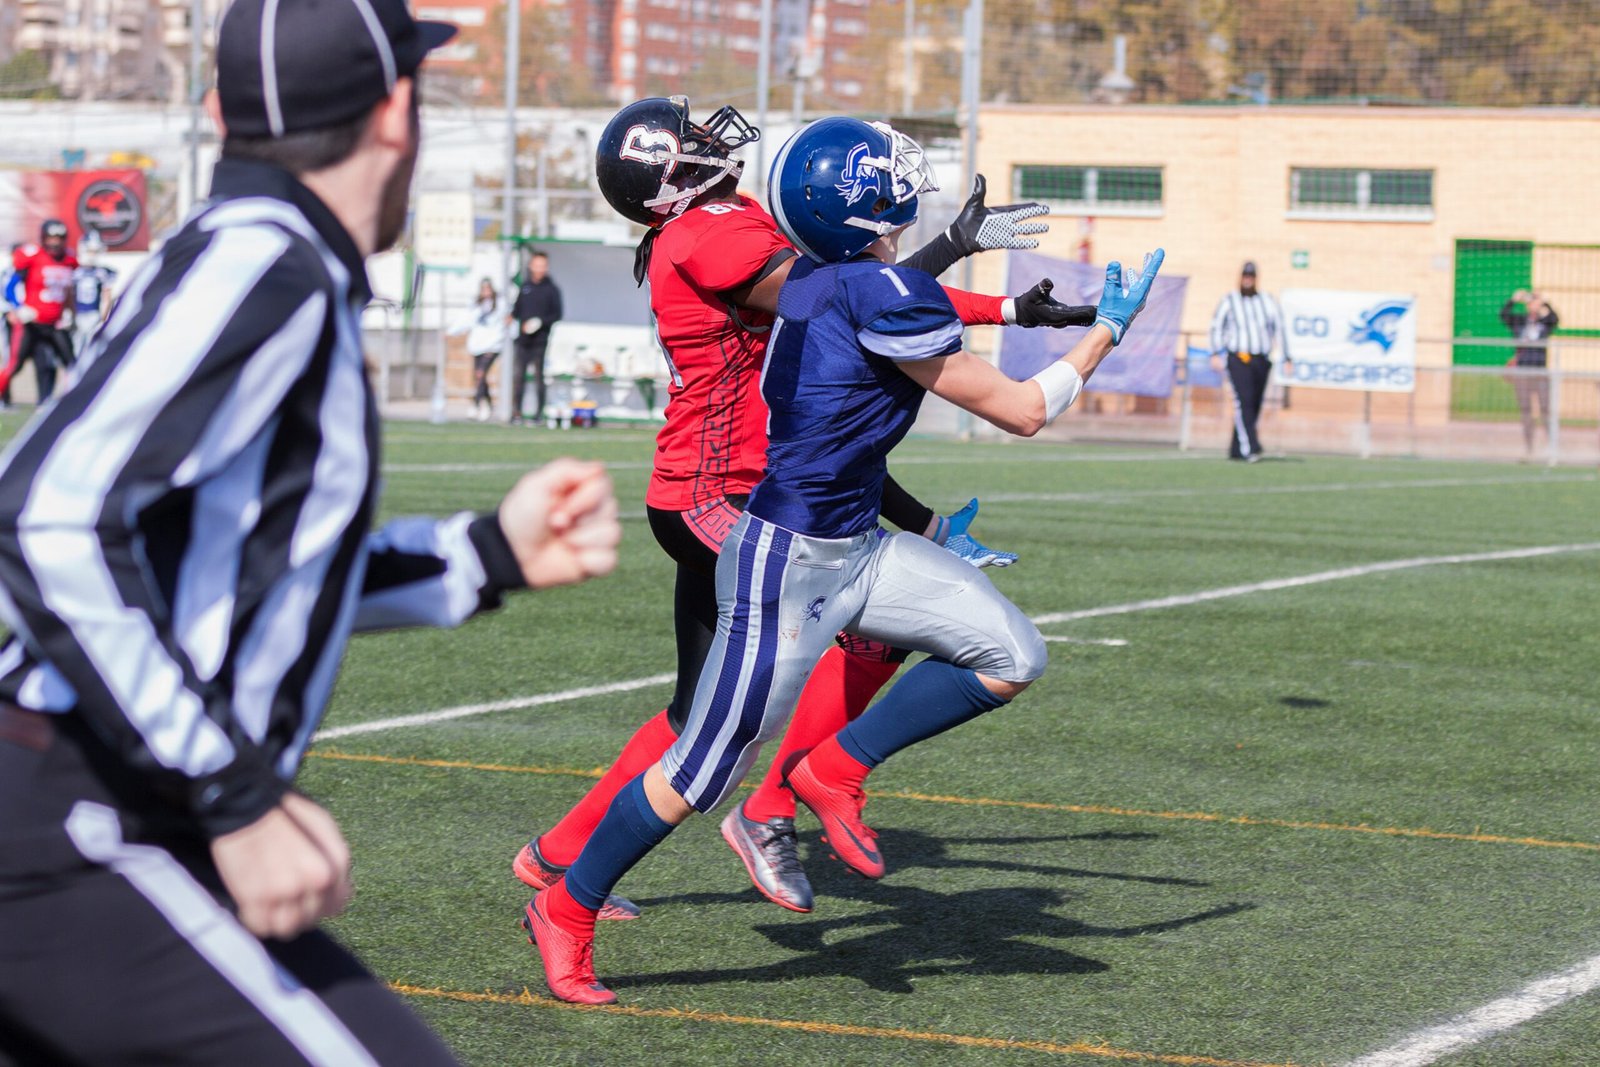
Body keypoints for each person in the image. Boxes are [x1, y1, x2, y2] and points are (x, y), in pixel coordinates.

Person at [0, 0, 621, 1062]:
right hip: (84, 813)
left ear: (219, 113)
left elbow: (231, 570)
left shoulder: (260, 257)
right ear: (396, 111)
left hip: (99, 809)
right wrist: (236, 798)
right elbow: (46, 512)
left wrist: (482, 555)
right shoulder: (268, 262)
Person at [520, 114, 1163, 1004]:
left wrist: (998, 295)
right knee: (706, 763)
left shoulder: (825, 276)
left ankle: (829, 768)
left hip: (852, 537)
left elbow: (889, 296)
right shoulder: (733, 243)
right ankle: (569, 901)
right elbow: (1018, 406)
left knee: (1012, 652)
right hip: (772, 539)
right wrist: (1105, 331)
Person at [1208, 260, 1287, 462]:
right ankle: (1251, 447)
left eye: (1251, 276)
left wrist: (1286, 356)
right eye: (1245, 276)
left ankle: (1236, 448)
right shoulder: (1230, 300)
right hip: (1238, 358)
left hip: (1261, 359)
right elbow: (1216, 326)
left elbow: (1279, 327)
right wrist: (1215, 352)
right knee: (1243, 402)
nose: (1247, 280)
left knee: (1254, 404)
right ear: (1240, 277)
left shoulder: (1267, 300)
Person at [2, 218, 78, 405]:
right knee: (14, 364)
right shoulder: (33, 256)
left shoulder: (69, 260)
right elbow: (9, 287)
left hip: (55, 323)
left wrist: (69, 312)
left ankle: (70, 401)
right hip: (31, 323)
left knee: (70, 363)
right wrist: (19, 308)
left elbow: (68, 291)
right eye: (51, 238)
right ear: (44, 238)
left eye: (59, 238)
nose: (55, 242)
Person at [1499, 288, 1559, 454]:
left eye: (1536, 303)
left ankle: (1550, 445)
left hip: (1540, 372)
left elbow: (1555, 319)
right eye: (1531, 303)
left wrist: (1545, 302)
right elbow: (1504, 316)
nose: (1533, 306)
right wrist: (1513, 300)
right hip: (1523, 372)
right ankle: (1529, 446)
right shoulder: (1520, 321)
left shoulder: (1544, 322)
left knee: (1545, 409)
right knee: (1526, 410)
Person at [508, 251, 562, 424]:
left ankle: (539, 414)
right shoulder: (525, 287)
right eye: (537, 265)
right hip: (523, 340)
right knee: (519, 376)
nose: (539, 269)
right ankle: (516, 413)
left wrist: (539, 322)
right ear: (531, 266)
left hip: (540, 340)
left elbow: (557, 314)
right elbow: (517, 310)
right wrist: (511, 317)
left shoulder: (551, 289)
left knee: (539, 377)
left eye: (543, 266)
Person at [449, 275, 507, 421]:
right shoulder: (476, 305)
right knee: (479, 376)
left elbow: (506, 322)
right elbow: (465, 320)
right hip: (477, 345)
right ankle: (488, 404)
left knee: (480, 374)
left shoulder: (500, 304)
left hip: (492, 345)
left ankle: (476, 404)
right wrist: (451, 332)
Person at [70, 229, 118, 360]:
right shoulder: (74, 270)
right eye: (90, 250)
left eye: (95, 251)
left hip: (94, 315)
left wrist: (104, 318)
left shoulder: (103, 272)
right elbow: (68, 295)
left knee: (93, 352)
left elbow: (107, 297)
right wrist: (70, 315)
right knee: (75, 352)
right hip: (77, 315)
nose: (92, 255)